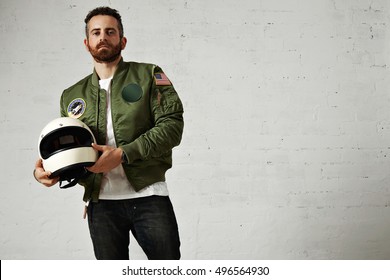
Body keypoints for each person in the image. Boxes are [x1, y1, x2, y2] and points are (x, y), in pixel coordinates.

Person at [33, 6, 184, 260]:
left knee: (168, 269)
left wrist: (123, 154)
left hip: (149, 196)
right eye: (96, 32)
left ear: (122, 40)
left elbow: (171, 127)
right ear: (86, 42)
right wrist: (46, 171)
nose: (103, 37)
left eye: (110, 32)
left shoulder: (149, 74)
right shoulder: (71, 95)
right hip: (101, 205)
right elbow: (71, 148)